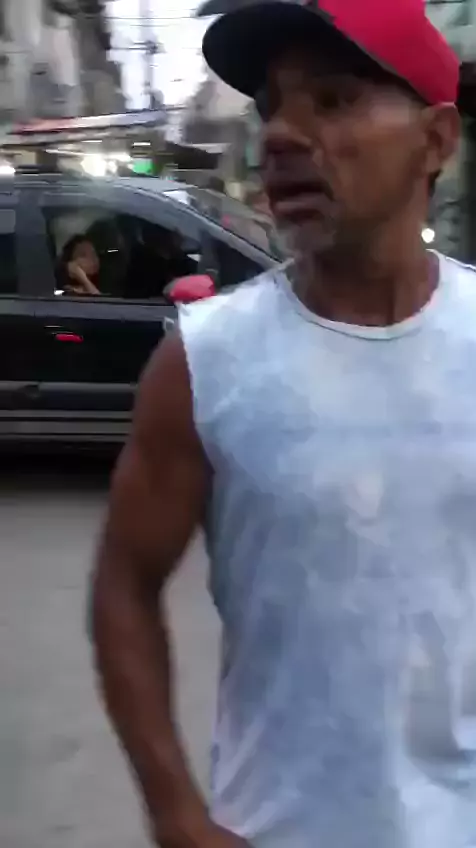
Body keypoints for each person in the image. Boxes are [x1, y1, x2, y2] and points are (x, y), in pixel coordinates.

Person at [90, 2, 476, 847]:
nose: (282, 136)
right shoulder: (206, 361)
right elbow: (124, 583)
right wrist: (176, 813)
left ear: (435, 140)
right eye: (271, 106)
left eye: (333, 100)